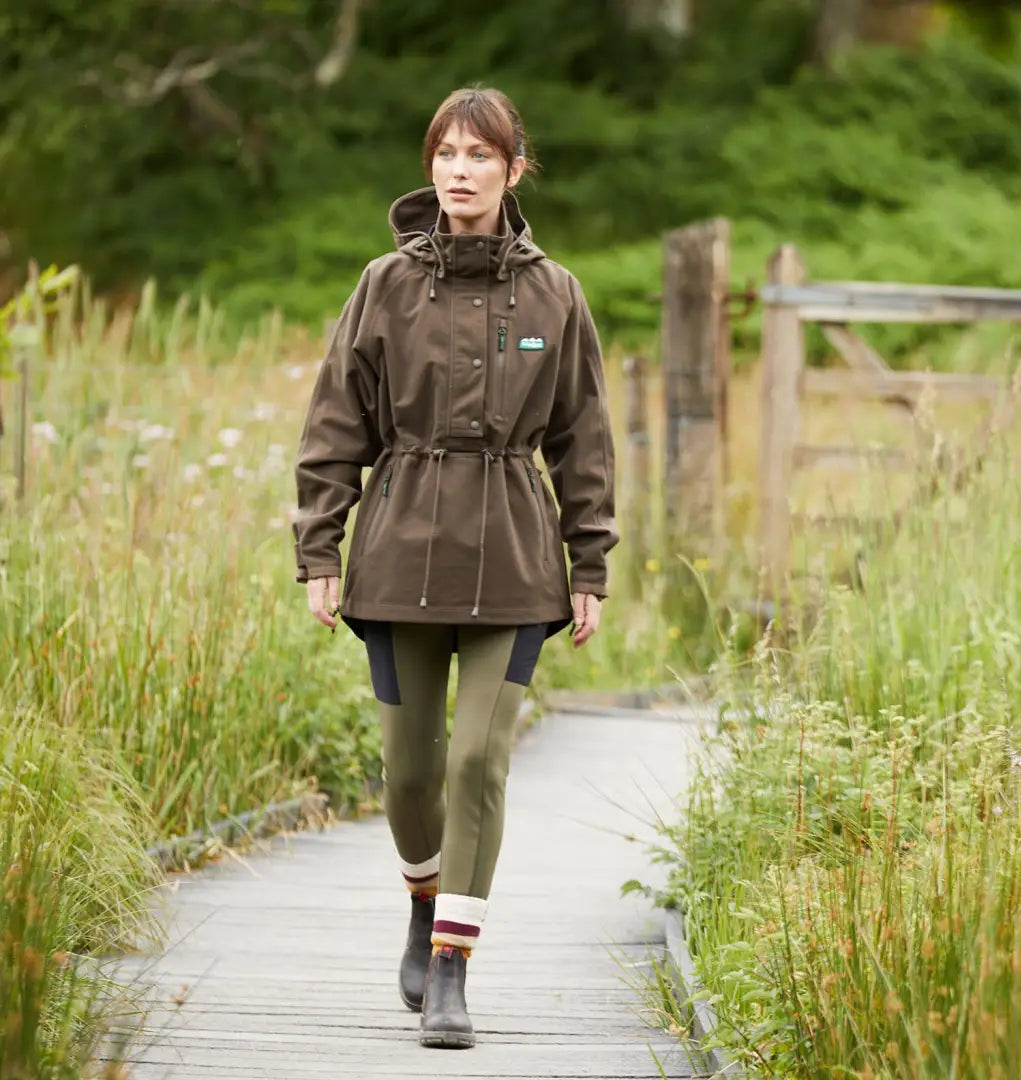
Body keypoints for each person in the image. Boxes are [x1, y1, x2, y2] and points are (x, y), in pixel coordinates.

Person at [291, 86, 618, 1050]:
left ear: (515, 171)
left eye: (481, 155)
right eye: (446, 152)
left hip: (516, 565)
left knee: (478, 759)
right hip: (398, 562)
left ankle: (451, 969)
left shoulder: (555, 295)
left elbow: (585, 439)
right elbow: (334, 422)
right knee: (408, 778)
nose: (460, 169)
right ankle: (423, 895)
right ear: (431, 164)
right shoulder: (383, 285)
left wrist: (589, 561)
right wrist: (321, 543)